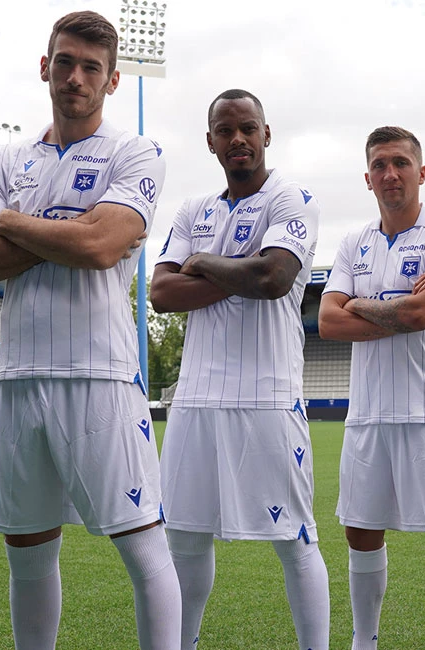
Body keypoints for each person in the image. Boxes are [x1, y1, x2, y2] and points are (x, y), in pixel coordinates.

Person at [0, 11, 180, 650]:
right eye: (66, 62)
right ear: (45, 67)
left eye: (91, 67)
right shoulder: (9, 157)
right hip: (19, 379)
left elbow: (103, 245)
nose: (76, 77)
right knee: (27, 550)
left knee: (142, 547)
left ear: (112, 81)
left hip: (100, 375)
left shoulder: (135, 152)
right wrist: (71, 230)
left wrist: (13, 220)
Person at [150, 89, 330, 650]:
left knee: (295, 538)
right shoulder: (192, 211)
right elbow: (160, 292)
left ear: (266, 133)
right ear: (210, 142)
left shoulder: (292, 198)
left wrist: (202, 264)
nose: (238, 139)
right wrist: (234, 271)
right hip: (195, 401)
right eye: (225, 131)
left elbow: (273, 280)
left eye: (247, 128)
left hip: (267, 397)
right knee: (183, 539)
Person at [318, 126, 425, 650]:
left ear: (421, 172)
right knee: (360, 534)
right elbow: (327, 321)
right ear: (368, 178)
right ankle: (364, 642)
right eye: (380, 165)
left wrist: (360, 303)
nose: (391, 174)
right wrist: (391, 311)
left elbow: (423, 312)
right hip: (365, 417)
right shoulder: (352, 242)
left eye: (401, 163)